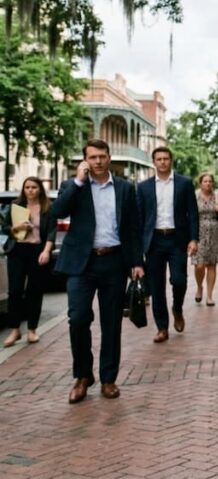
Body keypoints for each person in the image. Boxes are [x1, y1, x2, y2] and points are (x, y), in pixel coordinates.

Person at [52, 139, 144, 403]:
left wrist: (137, 262)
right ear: (85, 160)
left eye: (102, 156)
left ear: (109, 157)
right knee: (78, 318)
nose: (98, 162)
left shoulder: (125, 189)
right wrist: (79, 181)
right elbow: (58, 212)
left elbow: (133, 229)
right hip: (82, 264)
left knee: (111, 323)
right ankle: (83, 376)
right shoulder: (73, 186)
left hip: (114, 261)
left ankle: (108, 379)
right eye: (92, 158)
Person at [138, 147, 199, 343]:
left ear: (171, 160)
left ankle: (178, 308)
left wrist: (193, 239)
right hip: (154, 240)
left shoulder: (184, 183)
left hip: (176, 239)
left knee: (179, 280)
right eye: (159, 159)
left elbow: (192, 213)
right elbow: (139, 218)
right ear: (153, 162)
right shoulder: (143, 187)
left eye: (166, 159)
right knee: (156, 287)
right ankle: (162, 327)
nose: (163, 162)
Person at [2, 177, 56, 347]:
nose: (30, 190)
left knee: (35, 291)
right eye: (27, 187)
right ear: (23, 189)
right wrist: (18, 228)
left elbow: (51, 232)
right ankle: (15, 330)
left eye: (34, 187)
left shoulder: (47, 208)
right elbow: (5, 228)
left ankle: (32, 330)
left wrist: (46, 251)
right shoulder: (15, 206)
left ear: (40, 189)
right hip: (17, 251)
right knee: (15, 291)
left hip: (37, 251)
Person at [192, 173, 218, 306]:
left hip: (215, 231)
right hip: (199, 232)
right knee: (199, 265)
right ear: (200, 183)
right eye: (205, 181)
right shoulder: (195, 195)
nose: (208, 183)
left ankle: (209, 295)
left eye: (210, 181)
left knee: (212, 264)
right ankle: (199, 287)